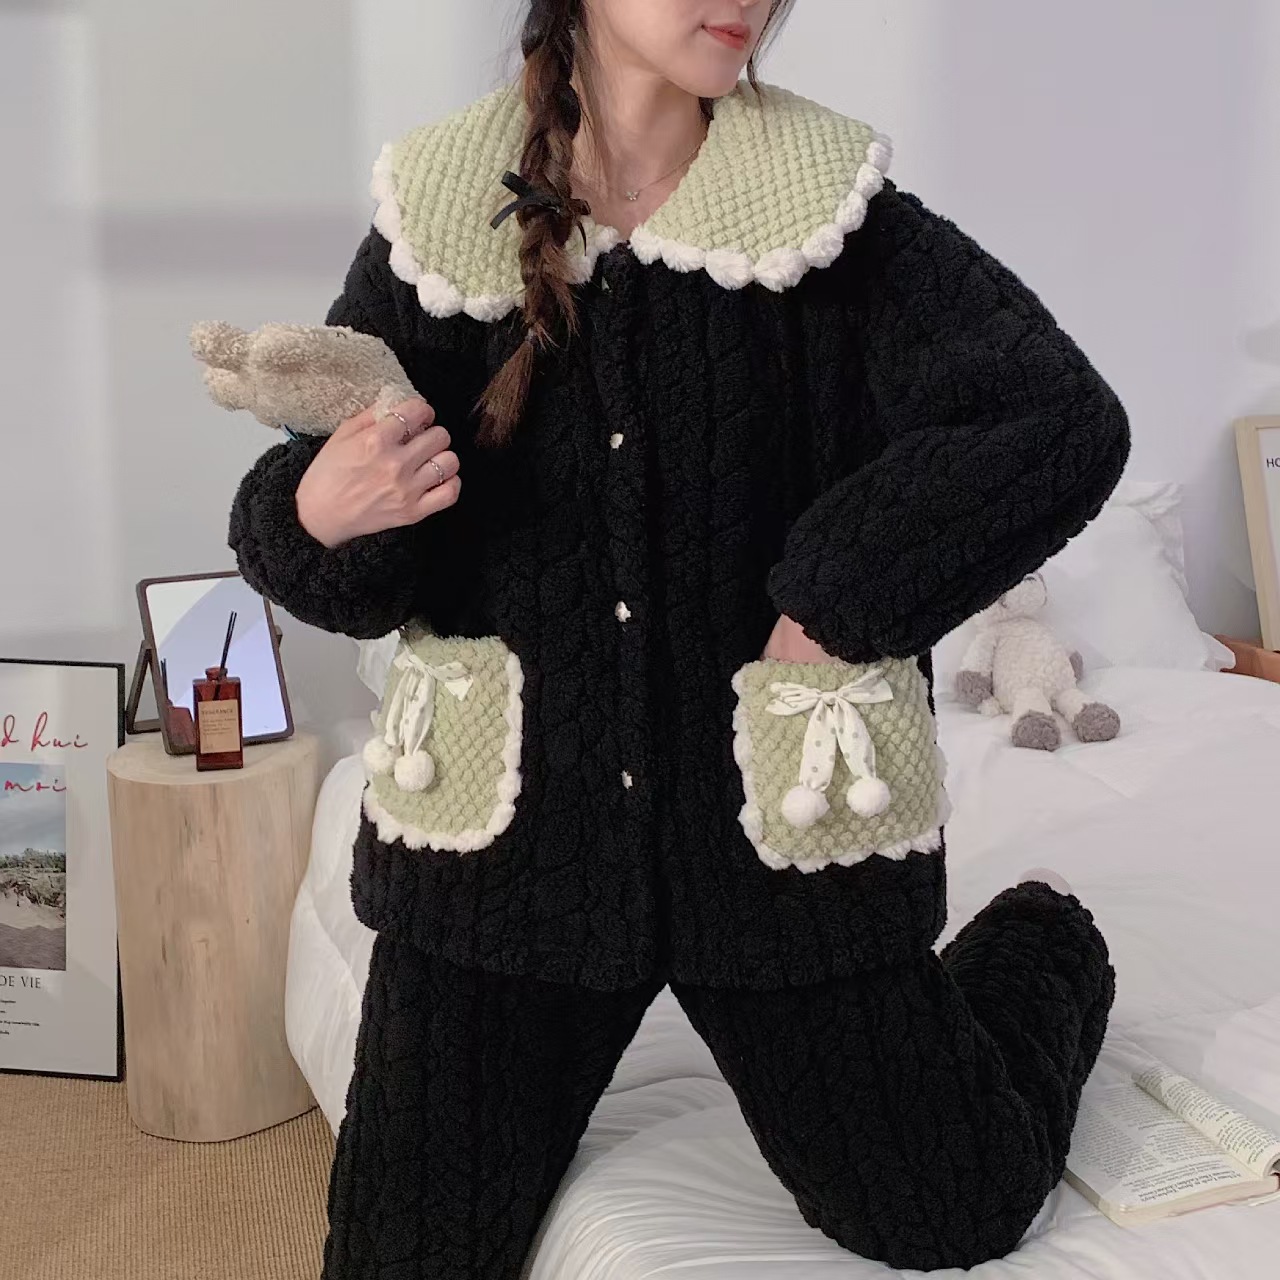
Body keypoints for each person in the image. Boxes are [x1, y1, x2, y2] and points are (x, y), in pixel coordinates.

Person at [227, 1, 1130, 1274]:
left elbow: (1056, 419)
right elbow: (350, 549)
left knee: (950, 1211)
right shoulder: (438, 213)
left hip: (772, 860)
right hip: (506, 869)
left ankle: (1039, 937)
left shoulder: (831, 212)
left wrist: (837, 596)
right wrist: (317, 512)